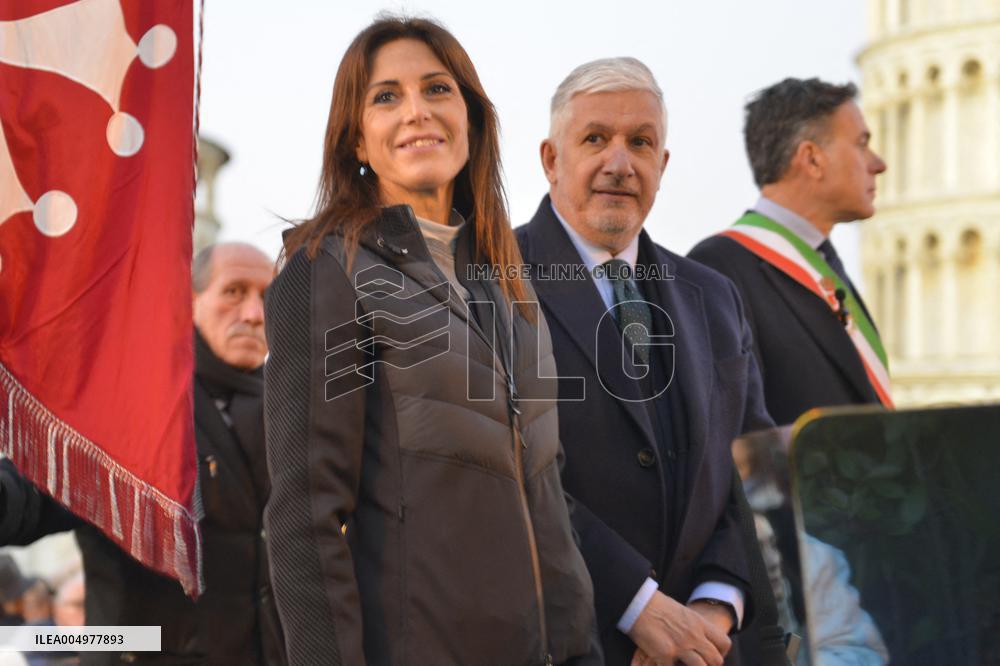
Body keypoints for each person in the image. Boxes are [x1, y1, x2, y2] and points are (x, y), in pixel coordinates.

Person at [263, 16, 598, 666]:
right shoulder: (326, 268)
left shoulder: (511, 288)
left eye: (437, 89)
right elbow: (306, 514)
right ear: (357, 137)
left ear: (471, 119)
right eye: (386, 96)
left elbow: (550, 505)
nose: (416, 111)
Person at [515, 58, 780, 666]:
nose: (618, 162)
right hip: (567, 645)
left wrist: (713, 609)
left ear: (662, 165)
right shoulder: (487, 282)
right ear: (551, 159)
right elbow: (504, 475)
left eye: (640, 142)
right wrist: (640, 608)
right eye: (595, 139)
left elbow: (756, 470)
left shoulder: (713, 296)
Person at [0, 242, 286, 665]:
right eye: (233, 292)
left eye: (267, 297)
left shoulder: (295, 418)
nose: (253, 314)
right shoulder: (128, 408)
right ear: (187, 301)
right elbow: (37, 488)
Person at [689, 78, 891, 426]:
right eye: (861, 144)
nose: (878, 163)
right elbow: (736, 440)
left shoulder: (823, 260)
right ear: (811, 159)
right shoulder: (716, 269)